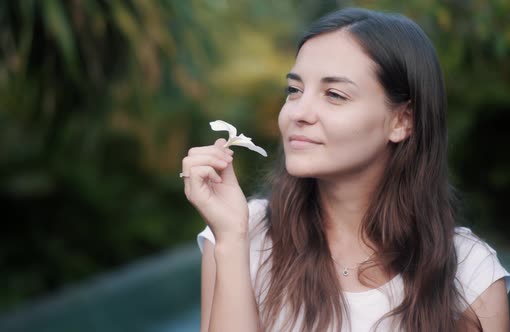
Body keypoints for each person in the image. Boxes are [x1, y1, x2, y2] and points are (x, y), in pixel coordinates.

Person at [181, 7, 510, 332]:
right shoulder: (241, 235)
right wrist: (231, 239)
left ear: (402, 121)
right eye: (294, 90)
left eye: (334, 94)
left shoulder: (470, 273)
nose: (299, 112)